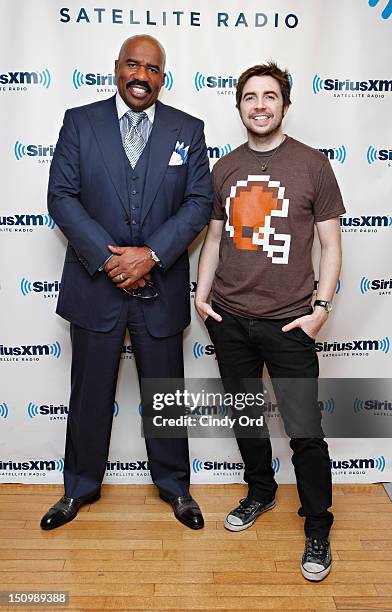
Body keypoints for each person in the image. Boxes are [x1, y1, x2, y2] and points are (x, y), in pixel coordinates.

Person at [40, 34, 212, 531]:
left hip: (159, 286)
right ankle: (77, 489)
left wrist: (151, 255)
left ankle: (177, 489)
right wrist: (109, 258)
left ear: (164, 76)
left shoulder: (188, 129)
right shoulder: (80, 122)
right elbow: (62, 196)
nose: (142, 76)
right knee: (89, 394)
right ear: (117, 68)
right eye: (133, 66)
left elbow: (198, 202)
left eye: (153, 69)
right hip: (96, 285)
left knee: (165, 395)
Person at [196, 61, 344, 580]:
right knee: (247, 419)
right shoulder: (225, 169)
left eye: (270, 96)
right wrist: (202, 295)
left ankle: (318, 524)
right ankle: (260, 491)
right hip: (230, 319)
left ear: (285, 104)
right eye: (250, 97)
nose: (260, 105)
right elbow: (213, 240)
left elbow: (330, 244)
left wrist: (320, 309)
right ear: (238, 106)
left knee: (305, 430)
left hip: (289, 324)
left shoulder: (312, 165)